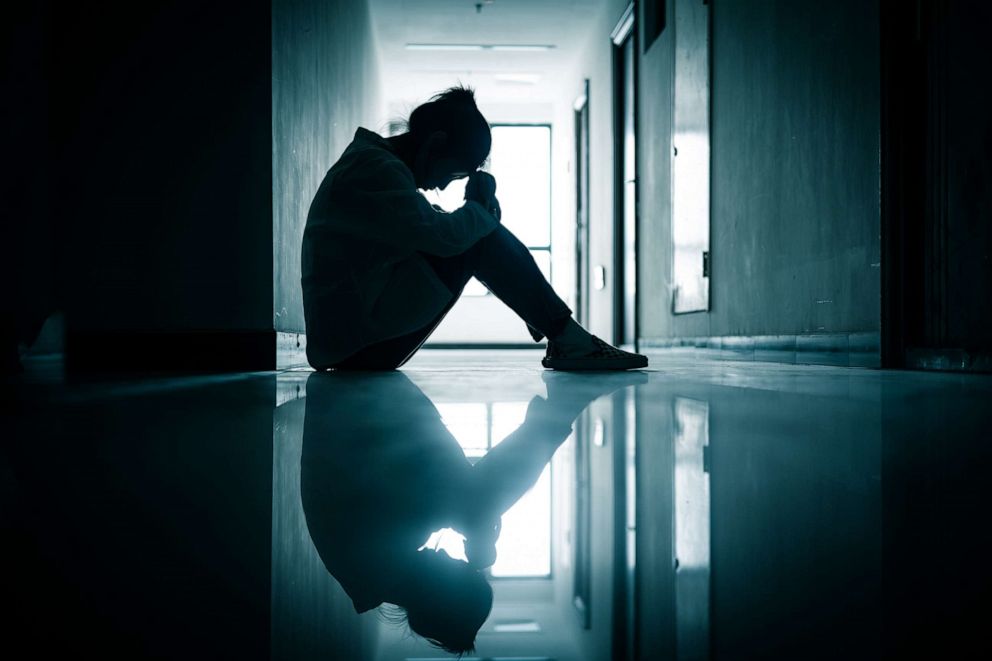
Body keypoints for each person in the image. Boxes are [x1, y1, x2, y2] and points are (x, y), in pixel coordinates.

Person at [301, 86, 648, 371]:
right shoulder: (375, 170)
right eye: (454, 174)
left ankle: (562, 334)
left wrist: (480, 219)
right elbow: (443, 238)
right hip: (354, 347)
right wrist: (480, 211)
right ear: (434, 145)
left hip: (351, 340)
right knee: (478, 240)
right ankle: (569, 339)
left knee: (477, 233)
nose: (443, 185)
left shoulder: (374, 167)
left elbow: (424, 230)